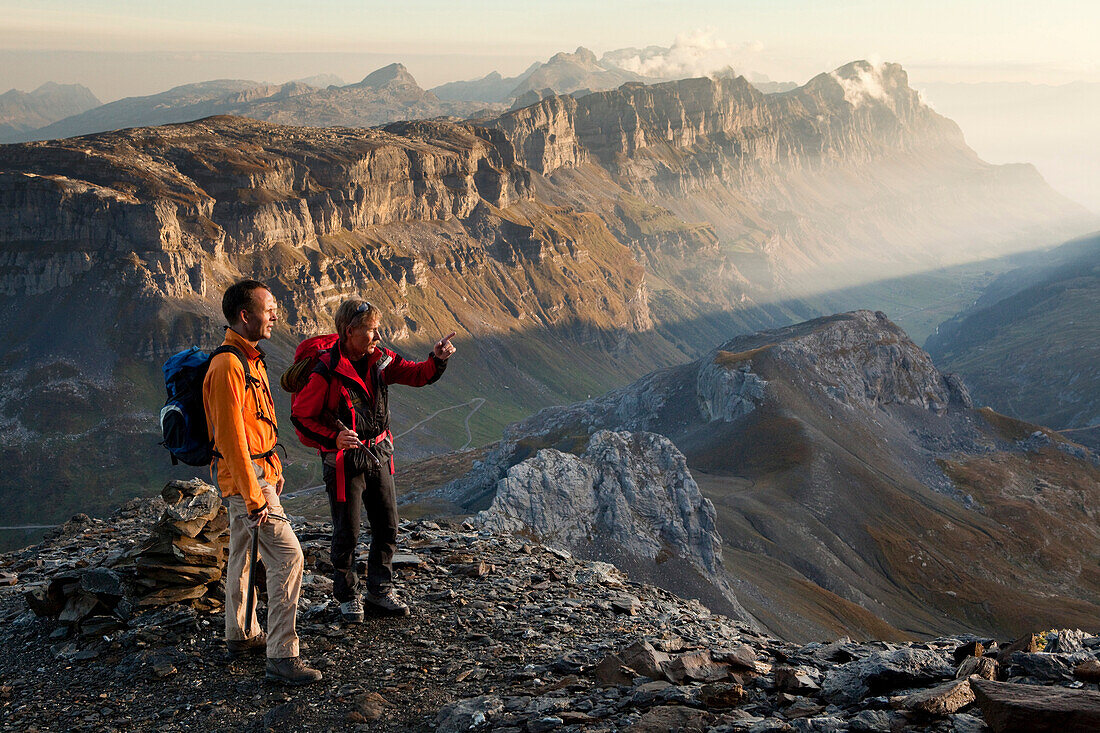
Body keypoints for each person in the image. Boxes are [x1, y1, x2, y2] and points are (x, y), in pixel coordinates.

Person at [291, 299, 455, 622]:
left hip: (379, 453)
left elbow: (417, 375)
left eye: (378, 329)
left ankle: (379, 592)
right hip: (344, 462)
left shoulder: (381, 360)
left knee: (387, 524)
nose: (378, 336)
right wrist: (332, 438)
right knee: (347, 530)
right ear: (349, 332)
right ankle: (348, 596)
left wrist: (436, 360)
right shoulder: (326, 371)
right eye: (371, 330)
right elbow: (300, 416)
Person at [203, 279, 322, 685]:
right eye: (269, 308)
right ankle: (282, 656)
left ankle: (241, 634)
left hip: (256, 474)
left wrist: (273, 469)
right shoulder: (228, 366)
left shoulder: (249, 359)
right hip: (247, 479)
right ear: (244, 314)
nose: (275, 314)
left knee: (243, 551)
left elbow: (255, 426)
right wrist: (256, 495)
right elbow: (232, 440)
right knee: (289, 557)